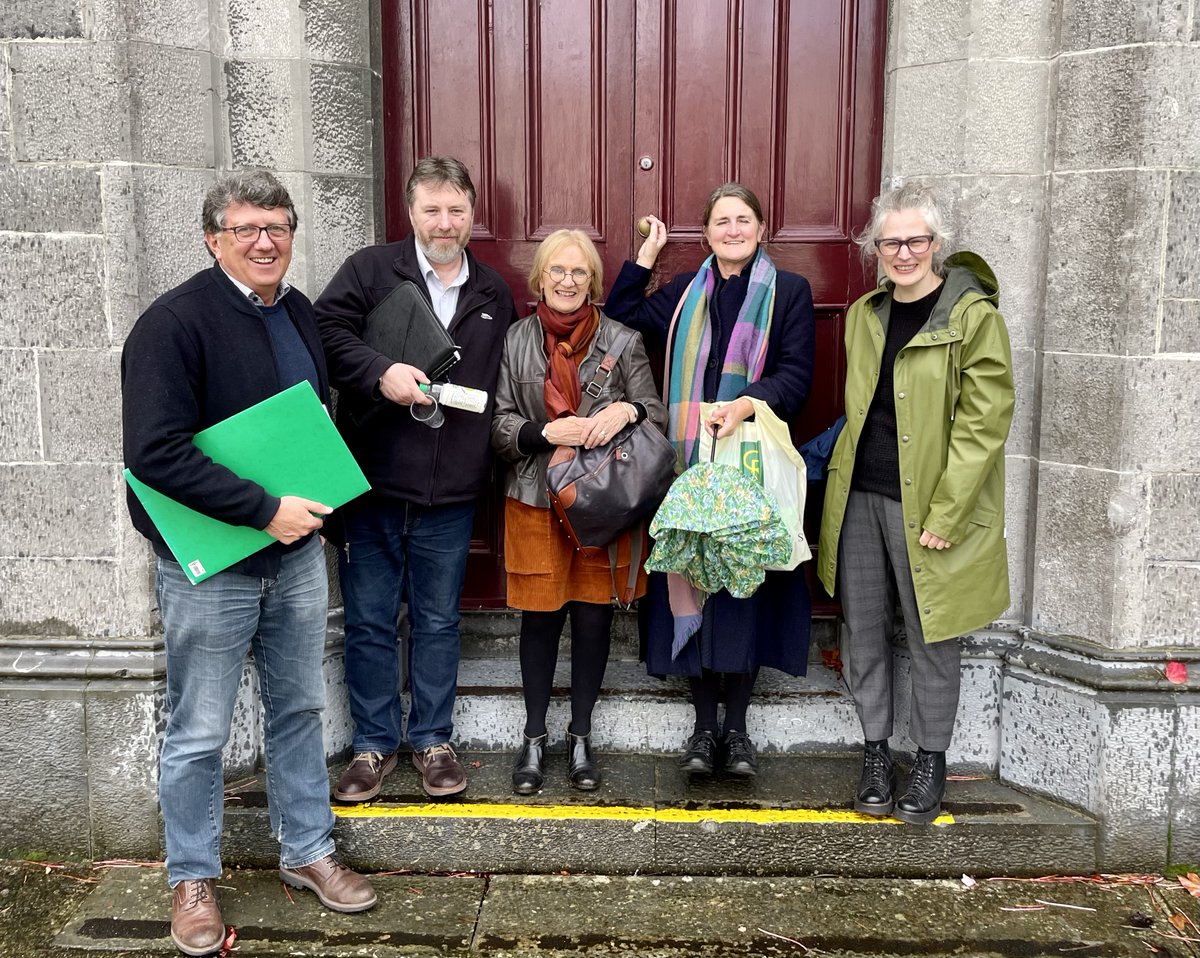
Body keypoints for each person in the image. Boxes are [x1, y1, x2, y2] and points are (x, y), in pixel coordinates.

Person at [121, 171, 376, 956]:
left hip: (296, 556)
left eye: (278, 226)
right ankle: (191, 878)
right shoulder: (172, 325)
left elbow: (308, 426)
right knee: (198, 730)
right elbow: (153, 456)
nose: (266, 241)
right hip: (215, 565)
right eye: (246, 229)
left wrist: (322, 513)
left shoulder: (297, 311)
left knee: (298, 710)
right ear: (213, 237)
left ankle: (306, 851)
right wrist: (264, 509)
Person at [317, 156, 517, 801]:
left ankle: (433, 740)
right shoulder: (372, 271)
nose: (444, 221)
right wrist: (379, 369)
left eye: (456, 209)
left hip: (452, 489)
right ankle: (373, 746)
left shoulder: (493, 293)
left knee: (436, 621)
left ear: (472, 214)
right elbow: (322, 332)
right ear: (410, 213)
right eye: (432, 209)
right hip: (373, 483)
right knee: (371, 620)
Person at [817, 180, 1014, 825]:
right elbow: (860, 412)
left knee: (934, 635)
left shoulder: (972, 318)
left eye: (915, 241)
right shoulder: (865, 316)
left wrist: (950, 513)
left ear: (937, 244)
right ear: (875, 247)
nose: (903, 253)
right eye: (890, 242)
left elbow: (984, 423)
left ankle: (929, 759)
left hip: (928, 507)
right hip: (862, 501)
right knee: (865, 630)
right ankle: (876, 752)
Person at [605, 184, 816, 779]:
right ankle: (702, 729)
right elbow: (620, 317)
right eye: (721, 220)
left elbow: (797, 374)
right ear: (706, 231)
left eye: (743, 219)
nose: (732, 229)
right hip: (689, 464)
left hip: (748, 464)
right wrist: (646, 256)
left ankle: (740, 731)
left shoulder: (789, 293)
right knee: (693, 579)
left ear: (761, 227)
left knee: (745, 589)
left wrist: (748, 403)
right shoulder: (681, 295)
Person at [490, 230, 667, 794]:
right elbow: (495, 426)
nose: (568, 281)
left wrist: (628, 410)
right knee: (540, 619)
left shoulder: (623, 338)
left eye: (580, 273)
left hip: (603, 503)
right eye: (557, 272)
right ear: (540, 278)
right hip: (536, 499)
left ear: (593, 282)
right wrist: (544, 431)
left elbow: (656, 413)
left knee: (593, 619)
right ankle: (535, 737)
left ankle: (583, 736)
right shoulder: (516, 339)